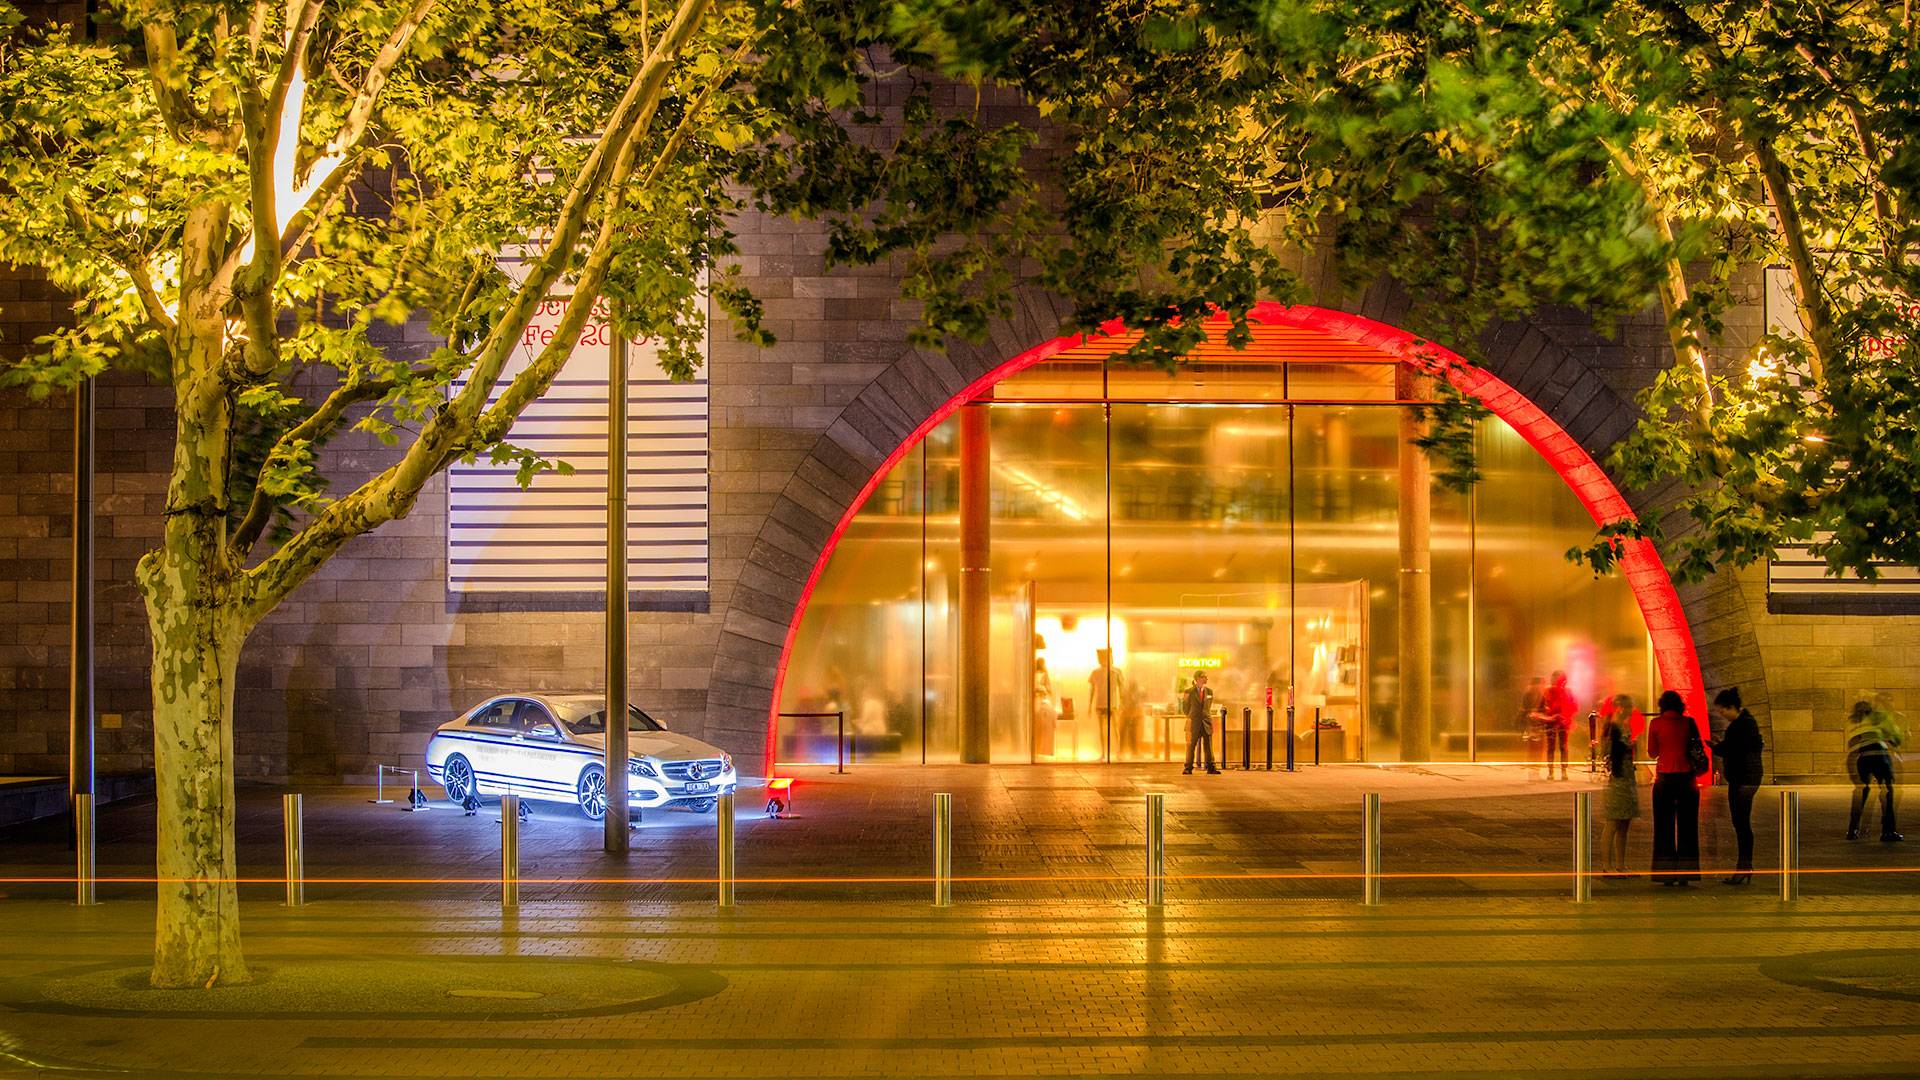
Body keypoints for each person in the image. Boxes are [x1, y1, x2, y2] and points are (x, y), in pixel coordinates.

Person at [1646, 689, 1702, 886]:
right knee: (1688, 827)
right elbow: (1697, 748)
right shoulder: (1689, 723)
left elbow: (1652, 752)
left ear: (1662, 705)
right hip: (1687, 779)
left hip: (1664, 779)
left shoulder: (1655, 724)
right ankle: (1687, 873)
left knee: (1663, 828)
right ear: (1680, 705)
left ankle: (1665, 874)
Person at [1710, 688, 1764, 885]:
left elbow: (1732, 750)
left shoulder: (1740, 726)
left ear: (1732, 707)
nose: (1721, 714)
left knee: (1741, 823)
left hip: (1742, 779)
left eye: (1723, 711)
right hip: (1749, 777)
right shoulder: (1748, 723)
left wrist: (1716, 746)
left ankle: (1744, 867)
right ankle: (1745, 866)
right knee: (1742, 823)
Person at [1845, 699, 1904, 842]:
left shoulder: (1854, 722)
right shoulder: (1877, 719)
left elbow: (1852, 743)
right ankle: (1888, 831)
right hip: (1880, 756)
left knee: (1861, 792)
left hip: (1863, 758)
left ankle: (1852, 830)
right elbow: (1894, 738)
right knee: (1887, 792)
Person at [1599, 694, 1639, 878]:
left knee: (1624, 824)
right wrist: (1628, 746)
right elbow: (1610, 754)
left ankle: (1621, 865)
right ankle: (1607, 865)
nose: (1632, 711)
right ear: (1621, 708)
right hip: (1618, 780)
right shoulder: (1613, 729)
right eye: (1629, 707)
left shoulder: (1624, 727)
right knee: (1613, 823)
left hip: (1627, 779)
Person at [1542, 671, 1578, 780]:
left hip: (1562, 722)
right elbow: (1543, 705)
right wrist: (1548, 713)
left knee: (1563, 747)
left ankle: (1563, 771)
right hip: (1551, 721)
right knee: (1551, 747)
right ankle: (1551, 771)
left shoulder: (1567, 691)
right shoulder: (1548, 691)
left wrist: (1567, 717)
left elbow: (1574, 706)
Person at [1182, 671, 1219, 775]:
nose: (1206, 679)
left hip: (1206, 722)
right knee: (1191, 746)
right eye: (1204, 677)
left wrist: (1205, 715)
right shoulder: (1188, 691)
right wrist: (1192, 716)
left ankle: (1211, 767)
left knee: (1208, 746)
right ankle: (1188, 767)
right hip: (1194, 722)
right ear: (1198, 678)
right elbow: (1185, 707)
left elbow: (1208, 706)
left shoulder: (1209, 691)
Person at [1089, 649, 1121, 761]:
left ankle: (1117, 752)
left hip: (1112, 703)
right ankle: (1103, 753)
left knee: (1115, 728)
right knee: (1103, 729)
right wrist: (1089, 705)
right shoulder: (1096, 672)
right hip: (1102, 703)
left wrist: (1121, 704)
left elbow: (1121, 689)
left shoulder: (1116, 672)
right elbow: (1092, 690)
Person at [1518, 676, 1549, 779]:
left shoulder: (1539, 695)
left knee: (1537, 748)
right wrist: (1533, 713)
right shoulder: (1529, 694)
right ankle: (1533, 771)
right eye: (1541, 683)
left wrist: (1543, 711)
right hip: (1532, 724)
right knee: (1534, 748)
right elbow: (1525, 709)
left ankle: (1535, 771)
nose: (1543, 686)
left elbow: (1542, 708)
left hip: (1538, 724)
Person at [1032, 657, 1057, 759]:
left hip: (1043, 701)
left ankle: (1045, 750)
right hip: (1035, 702)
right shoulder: (1032, 674)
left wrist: (1043, 689)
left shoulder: (1044, 675)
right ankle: (1037, 749)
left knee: (1046, 721)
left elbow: (1049, 690)